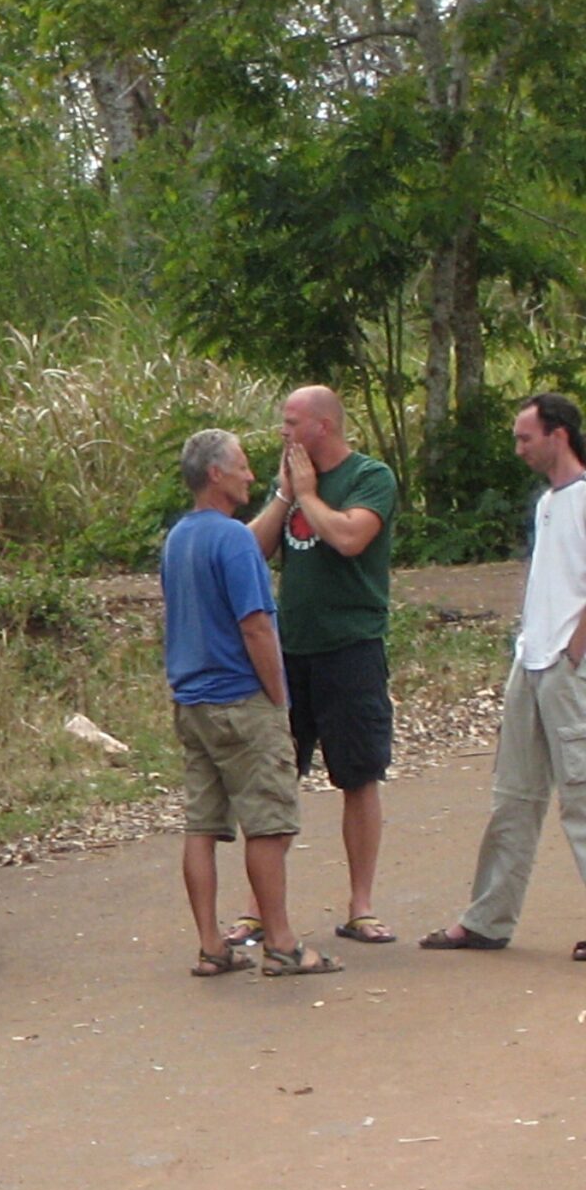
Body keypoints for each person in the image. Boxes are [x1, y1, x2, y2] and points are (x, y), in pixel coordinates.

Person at [163, 429, 342, 978]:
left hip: (191, 703)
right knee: (270, 823)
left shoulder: (178, 539)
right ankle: (283, 943)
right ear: (215, 475)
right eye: (240, 467)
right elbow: (257, 627)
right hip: (239, 698)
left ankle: (211, 945)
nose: (249, 475)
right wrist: (279, 700)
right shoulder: (236, 541)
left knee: (202, 824)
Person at [228, 385, 400, 949]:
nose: (283, 431)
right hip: (290, 651)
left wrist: (310, 495)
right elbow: (250, 550)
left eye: (292, 421)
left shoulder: (371, 477)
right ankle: (258, 909)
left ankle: (361, 906)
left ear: (322, 427)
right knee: (277, 777)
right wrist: (284, 496)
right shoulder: (290, 488)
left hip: (351, 647)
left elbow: (350, 538)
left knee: (358, 774)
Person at [421, 394, 586, 956]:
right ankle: (489, 917)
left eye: (525, 437)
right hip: (533, 660)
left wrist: (575, 647)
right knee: (513, 796)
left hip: (567, 666)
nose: (519, 449)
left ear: (557, 434)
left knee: (582, 799)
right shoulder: (546, 503)